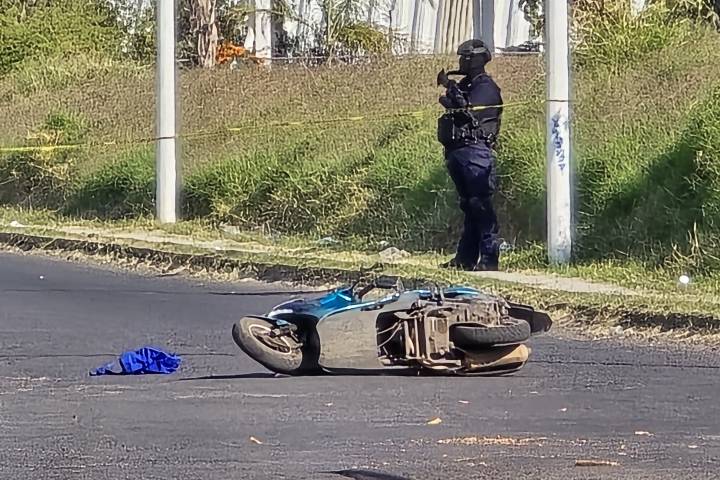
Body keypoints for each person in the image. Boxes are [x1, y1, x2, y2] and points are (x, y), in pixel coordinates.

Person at [436, 39, 503, 271]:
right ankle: (465, 258)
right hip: (458, 151)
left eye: (464, 58)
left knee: (480, 205)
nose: (460, 62)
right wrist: (451, 91)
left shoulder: (486, 87)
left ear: (475, 60)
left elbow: (468, 110)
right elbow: (454, 105)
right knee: (469, 206)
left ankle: (489, 258)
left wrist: (450, 87)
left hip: (476, 152)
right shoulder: (467, 84)